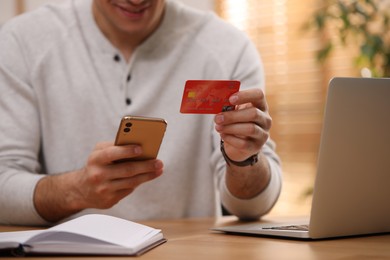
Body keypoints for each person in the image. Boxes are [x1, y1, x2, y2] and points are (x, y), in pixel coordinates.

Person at [0, 0, 282, 226]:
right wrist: (77, 189)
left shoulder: (229, 47)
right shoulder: (23, 41)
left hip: (186, 252)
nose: (136, 1)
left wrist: (244, 160)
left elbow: (254, 206)